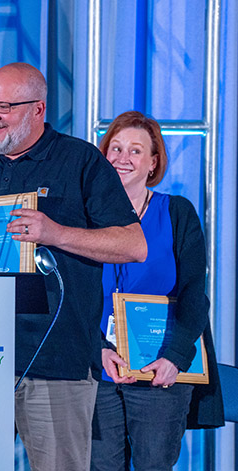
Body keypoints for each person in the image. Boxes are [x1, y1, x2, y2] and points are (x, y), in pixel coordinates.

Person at [0, 63, 148, 470]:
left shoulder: (80, 161)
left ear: (38, 109)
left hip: (55, 359)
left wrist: (57, 233)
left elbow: (134, 245)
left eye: (5, 106)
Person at [90, 111, 224, 471]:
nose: (122, 158)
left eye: (135, 150)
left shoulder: (177, 212)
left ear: (153, 162)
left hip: (160, 369)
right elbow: (73, 293)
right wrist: (97, 350)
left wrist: (176, 356)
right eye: (115, 148)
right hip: (99, 369)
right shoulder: (84, 217)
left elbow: (196, 291)